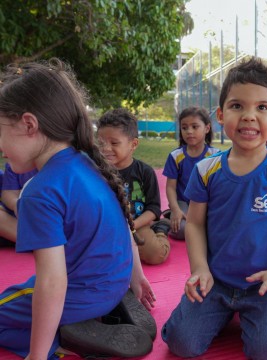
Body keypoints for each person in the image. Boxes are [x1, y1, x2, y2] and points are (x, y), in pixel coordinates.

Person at [0, 58, 156, 359]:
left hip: (81, 293)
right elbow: (124, 224)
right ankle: (84, 326)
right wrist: (136, 276)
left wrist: (36, 354)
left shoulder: (40, 191)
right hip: (115, 283)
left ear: (29, 124)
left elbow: (52, 282)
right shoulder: (88, 161)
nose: (1, 146)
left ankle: (66, 346)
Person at [162, 57, 267, 359]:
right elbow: (194, 224)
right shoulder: (206, 170)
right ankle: (219, 313)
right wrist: (199, 270)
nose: (248, 116)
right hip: (215, 283)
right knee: (181, 343)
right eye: (237, 106)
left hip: (264, 285)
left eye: (262, 107)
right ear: (220, 115)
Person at [97, 108, 171, 265]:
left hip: (137, 225)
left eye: (114, 143)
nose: (105, 149)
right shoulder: (95, 172)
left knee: (155, 254)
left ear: (133, 144)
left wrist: (131, 226)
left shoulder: (145, 172)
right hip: (105, 227)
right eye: (101, 143)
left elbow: (154, 209)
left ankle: (160, 230)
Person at [162, 106, 220, 240]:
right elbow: (170, 187)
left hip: (207, 203)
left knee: (219, 228)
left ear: (207, 128)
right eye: (184, 127)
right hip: (183, 203)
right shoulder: (175, 156)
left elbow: (220, 187)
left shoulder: (215, 156)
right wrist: (176, 209)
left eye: (195, 127)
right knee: (182, 230)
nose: (189, 131)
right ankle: (167, 220)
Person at [0, 162, 38, 245]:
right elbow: (8, 193)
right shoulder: (14, 164)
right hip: (18, 223)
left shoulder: (60, 167)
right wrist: (16, 205)